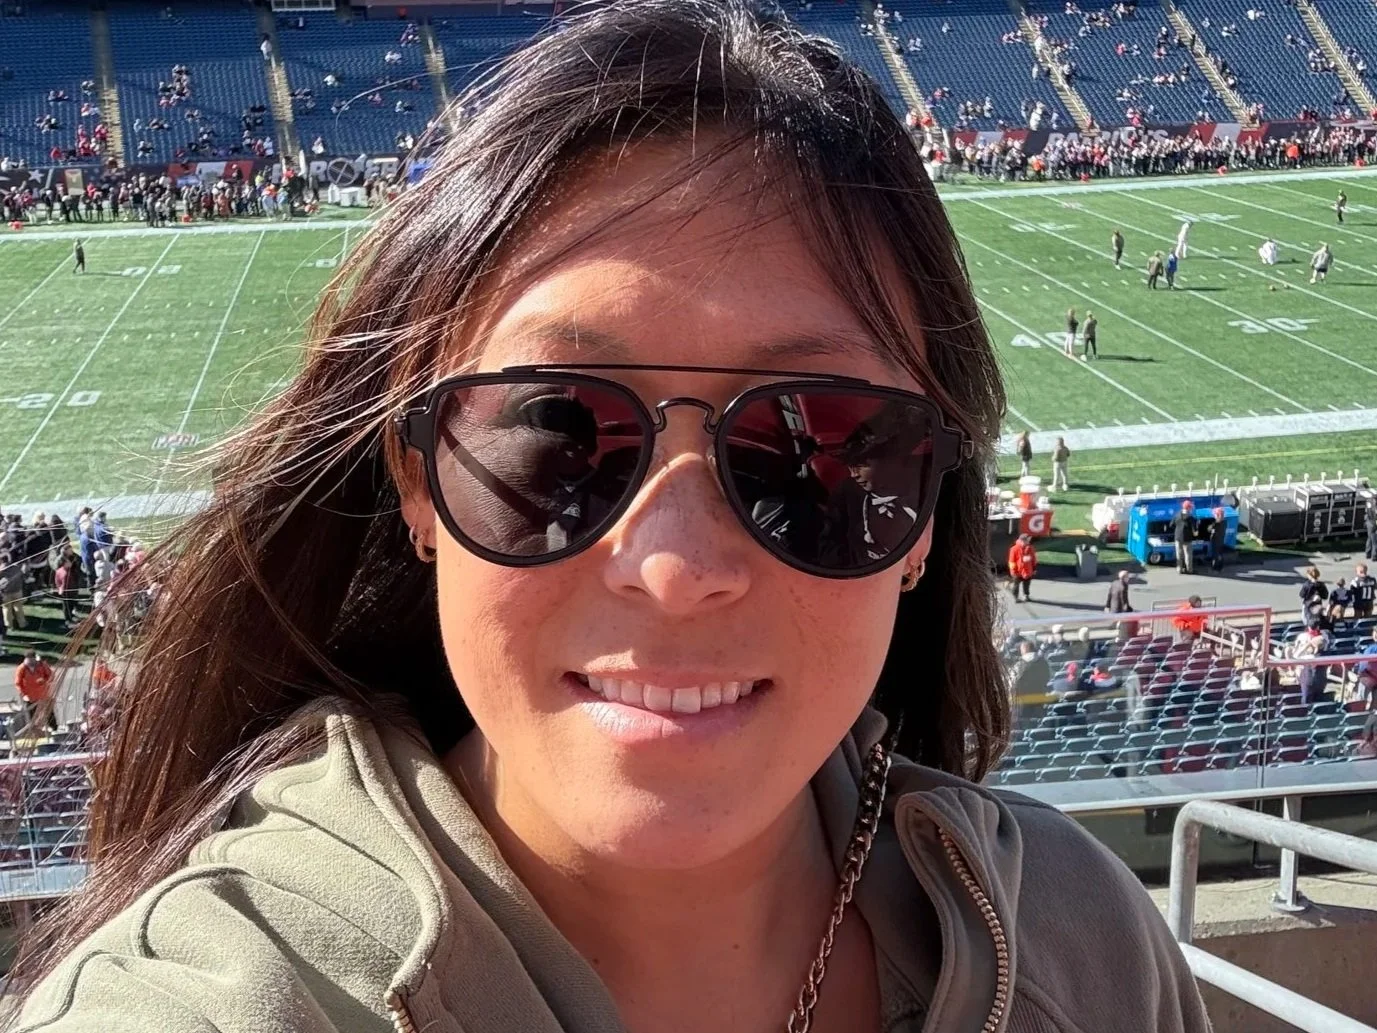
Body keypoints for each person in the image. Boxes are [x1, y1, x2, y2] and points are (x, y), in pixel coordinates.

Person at [6, 6, 1210, 1032]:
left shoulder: (1082, 943)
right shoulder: (214, 998)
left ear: (927, 518)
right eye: (557, 432)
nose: (676, 564)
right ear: (418, 482)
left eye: (816, 444)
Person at [14, 649, 57, 735]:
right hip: (30, 697)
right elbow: (18, 683)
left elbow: (51, 676)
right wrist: (23, 694)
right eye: (30, 659)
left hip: (44, 694)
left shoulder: (42, 665)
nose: (32, 661)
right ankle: (35, 733)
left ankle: (54, 730)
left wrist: (44, 680)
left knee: (49, 714)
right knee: (32, 716)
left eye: (33, 659)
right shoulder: (22, 668)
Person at [1008, 532, 1037, 601]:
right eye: (1027, 540)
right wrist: (1013, 571)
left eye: (1029, 540)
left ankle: (1026, 595)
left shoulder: (1030, 548)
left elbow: (1033, 559)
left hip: (1028, 571)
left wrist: (1034, 568)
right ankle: (1016, 597)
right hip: (1017, 571)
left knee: (1027, 584)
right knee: (1016, 585)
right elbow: (1011, 561)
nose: (1028, 541)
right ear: (1022, 540)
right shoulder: (1014, 549)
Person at [1172, 499, 1196, 574]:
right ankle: (1189, 569)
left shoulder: (1177, 515)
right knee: (1188, 554)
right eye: (1190, 507)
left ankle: (1179, 569)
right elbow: (1194, 529)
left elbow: (1171, 524)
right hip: (1187, 538)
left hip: (1178, 537)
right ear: (1188, 508)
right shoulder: (1191, 518)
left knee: (1179, 554)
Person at [1208, 505, 1227, 571]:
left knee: (1215, 555)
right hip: (1221, 540)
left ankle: (1215, 568)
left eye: (1215, 515)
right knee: (1220, 554)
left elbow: (1209, 529)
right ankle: (1220, 567)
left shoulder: (1216, 523)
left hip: (1216, 540)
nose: (1214, 516)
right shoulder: (1224, 522)